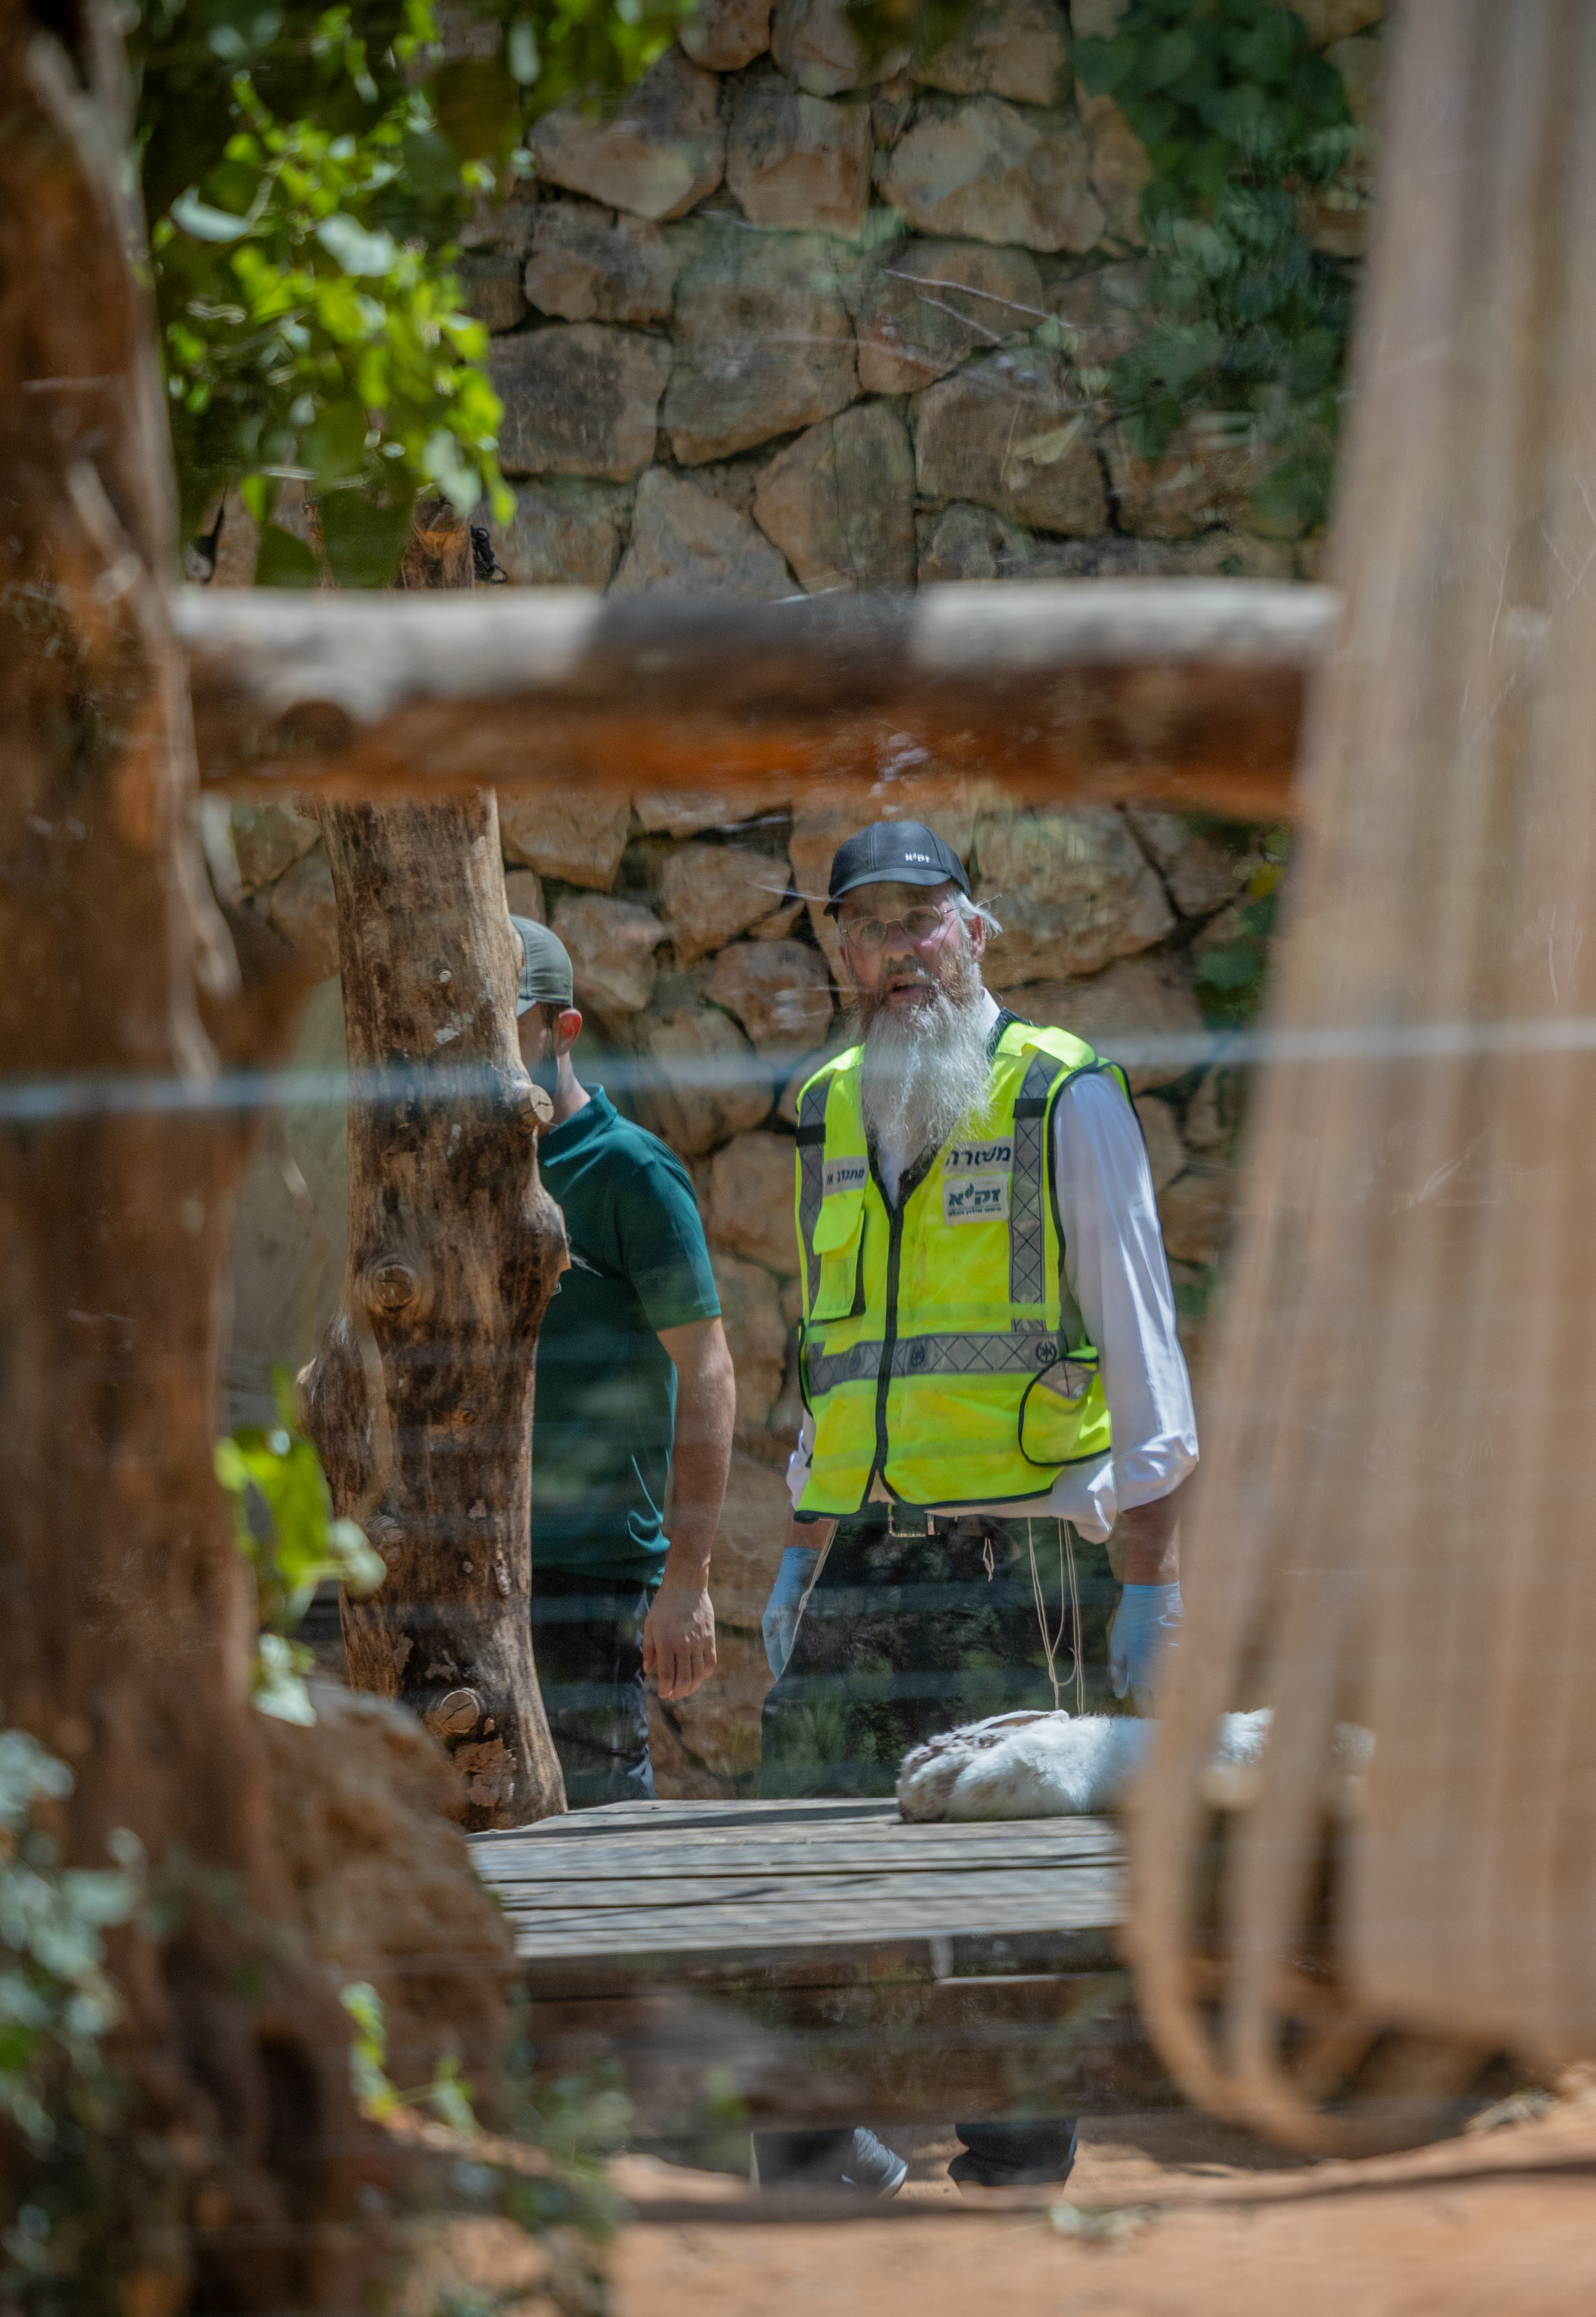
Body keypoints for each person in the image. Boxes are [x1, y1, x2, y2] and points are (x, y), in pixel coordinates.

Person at [751, 821, 1197, 2196]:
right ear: (838, 947)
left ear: (978, 927)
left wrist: (1148, 1586)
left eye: (920, 918)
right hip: (864, 1571)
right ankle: (821, 2165)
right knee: (790, 1879)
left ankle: (1016, 2201)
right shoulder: (827, 1103)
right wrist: (798, 1553)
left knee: (1010, 1915)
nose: (897, 951)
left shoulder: (1066, 1096)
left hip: (1022, 1581)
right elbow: (839, 1368)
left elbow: (1149, 1374)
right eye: (866, 926)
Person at [515, 915, 731, 1801]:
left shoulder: (632, 1172)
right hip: (463, 1559)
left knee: (595, 1832)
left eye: (509, 1023)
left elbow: (709, 1369)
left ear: (563, 1029)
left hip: (591, 1572)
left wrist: (687, 1578)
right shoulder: (451, 1167)